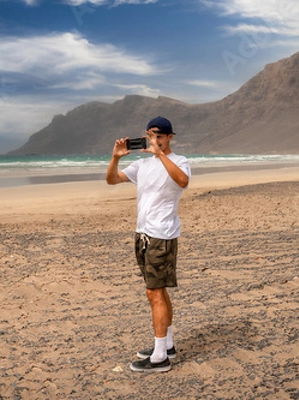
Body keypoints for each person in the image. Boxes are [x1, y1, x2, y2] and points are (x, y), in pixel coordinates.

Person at [106, 116, 191, 372]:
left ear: (169, 138)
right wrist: (116, 157)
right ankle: (168, 346)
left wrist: (160, 154)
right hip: (142, 235)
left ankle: (159, 358)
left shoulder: (179, 161)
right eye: (151, 135)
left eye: (160, 136)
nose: (155, 139)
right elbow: (111, 179)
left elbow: (183, 182)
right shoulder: (141, 165)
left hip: (162, 235)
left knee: (154, 293)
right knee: (158, 291)